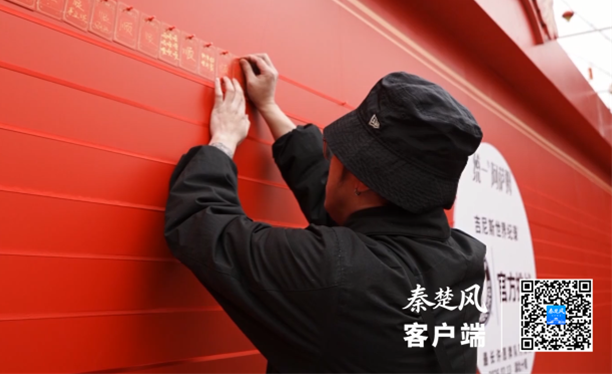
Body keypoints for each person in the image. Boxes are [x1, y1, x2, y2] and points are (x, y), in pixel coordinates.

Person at [164, 53, 487, 374]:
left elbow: (203, 226)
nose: (329, 161)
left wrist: (223, 141)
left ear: (362, 182)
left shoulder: (336, 275)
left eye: (334, 154)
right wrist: (270, 107)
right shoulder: (463, 259)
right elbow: (347, 209)